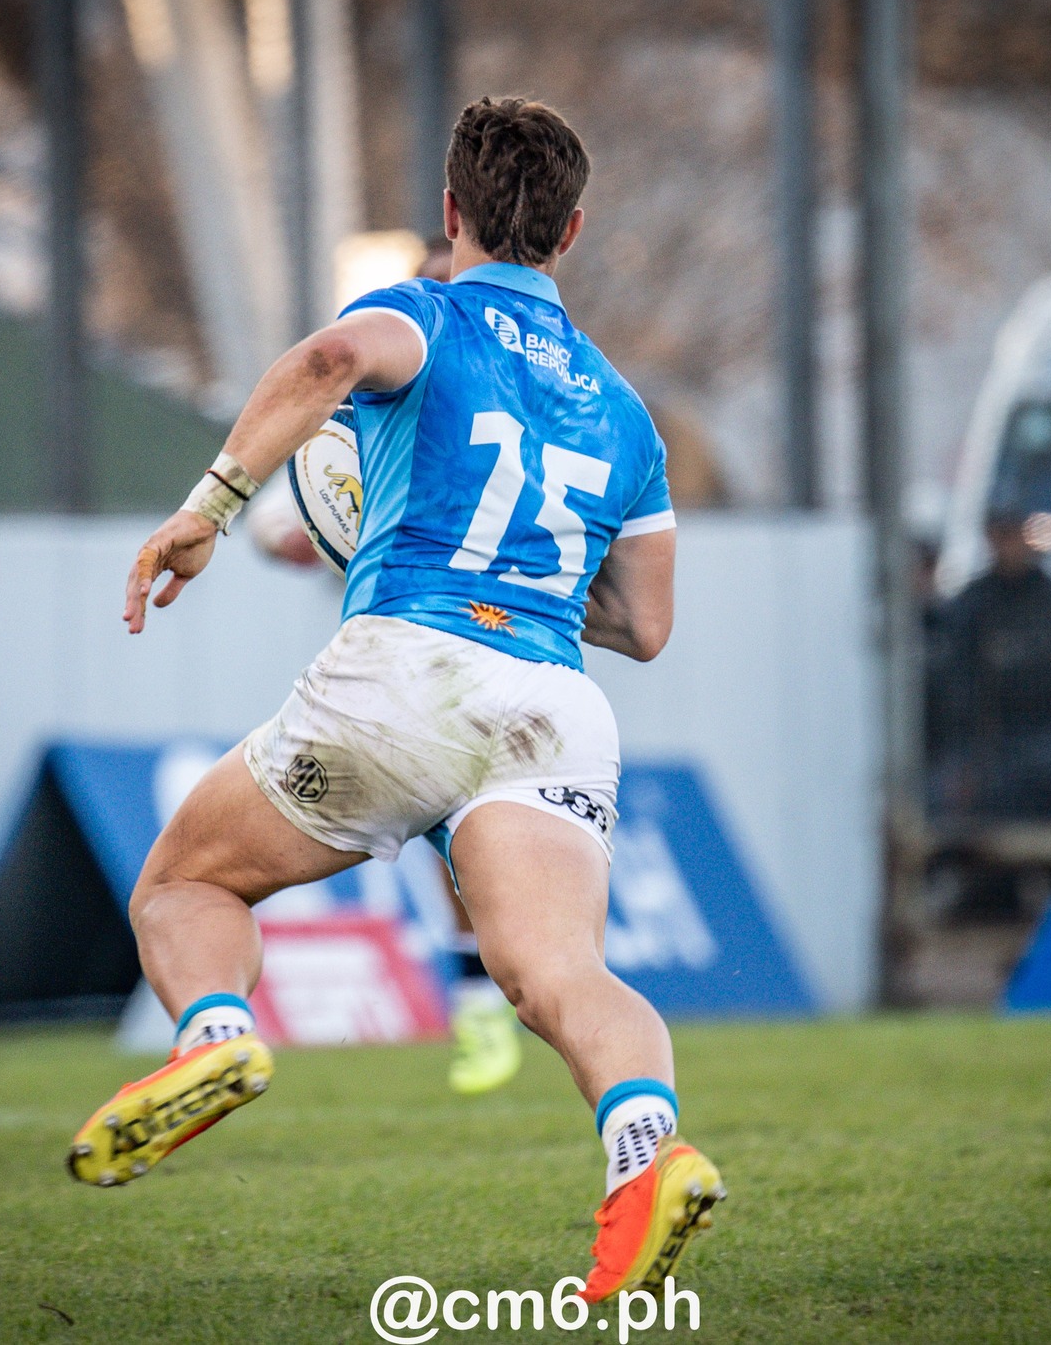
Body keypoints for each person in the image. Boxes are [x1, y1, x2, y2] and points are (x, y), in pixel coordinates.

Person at [69, 97, 722, 1302]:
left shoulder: (423, 313)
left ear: (449, 211)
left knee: (185, 884)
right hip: (551, 699)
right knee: (559, 973)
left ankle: (215, 1036)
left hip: (407, 668)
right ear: (572, 230)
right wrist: (526, 580)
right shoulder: (624, 411)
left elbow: (326, 363)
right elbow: (644, 625)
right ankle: (646, 1148)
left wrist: (208, 510)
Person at [242, 237, 524, 1097]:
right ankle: (489, 1000)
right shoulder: (379, 399)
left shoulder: (515, 394)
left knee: (466, 831)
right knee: (450, 824)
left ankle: (215, 1024)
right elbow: (286, 517)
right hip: (415, 654)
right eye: (433, 286)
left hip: (483, 652)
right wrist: (300, 535)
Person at [931, 505, 1051, 817]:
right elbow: (953, 674)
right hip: (996, 738)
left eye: (1014, 535)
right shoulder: (973, 604)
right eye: (1001, 536)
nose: (1009, 546)